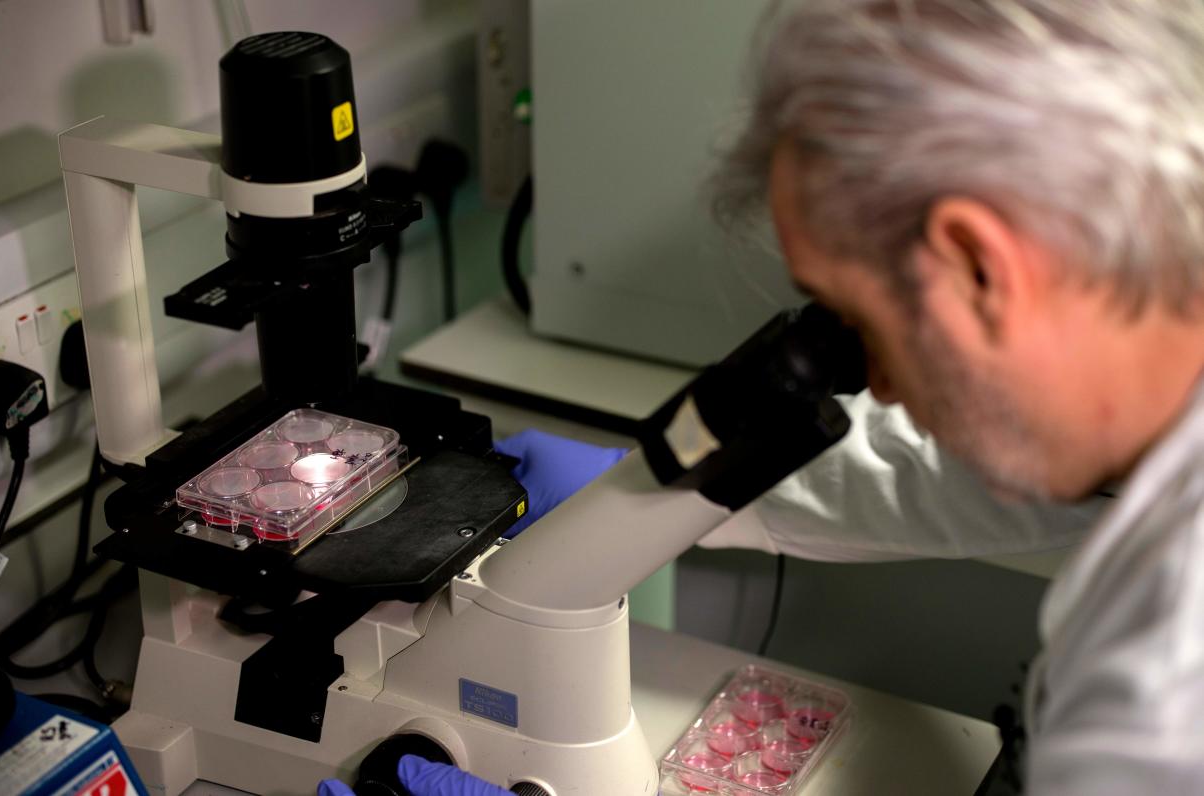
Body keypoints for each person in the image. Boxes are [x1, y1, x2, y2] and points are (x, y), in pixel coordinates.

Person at [329, 0, 1204, 792]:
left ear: (981, 262)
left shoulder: (1165, 697)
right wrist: (641, 502)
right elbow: (959, 464)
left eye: (866, 325)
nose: (885, 387)